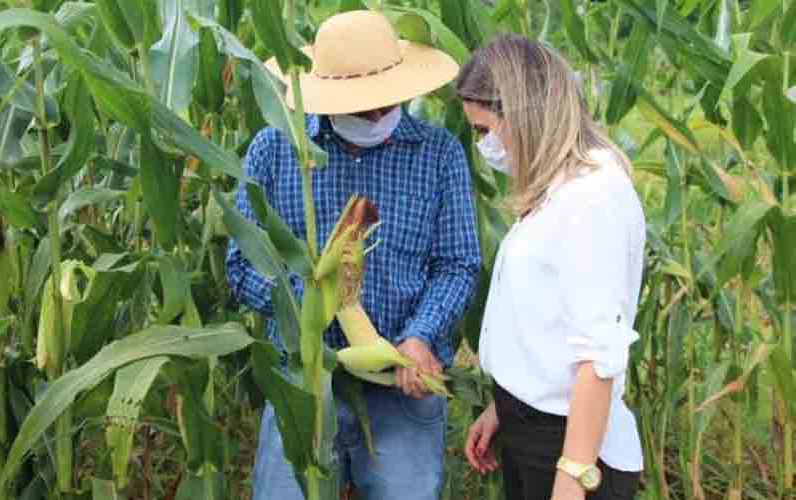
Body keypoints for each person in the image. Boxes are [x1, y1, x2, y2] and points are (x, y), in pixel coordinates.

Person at [225, 10, 481, 500]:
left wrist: (421, 336)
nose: (375, 115)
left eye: (384, 103)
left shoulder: (438, 153)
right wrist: (310, 302)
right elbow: (243, 263)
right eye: (359, 107)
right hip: (301, 384)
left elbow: (457, 263)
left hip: (401, 385)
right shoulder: (277, 151)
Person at [458, 35, 645, 500]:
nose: (483, 145)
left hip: (566, 446)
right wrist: (505, 407)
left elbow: (599, 357)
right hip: (532, 431)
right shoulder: (559, 187)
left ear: (523, 115)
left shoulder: (593, 196)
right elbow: (546, 321)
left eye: (483, 130)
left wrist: (573, 475)